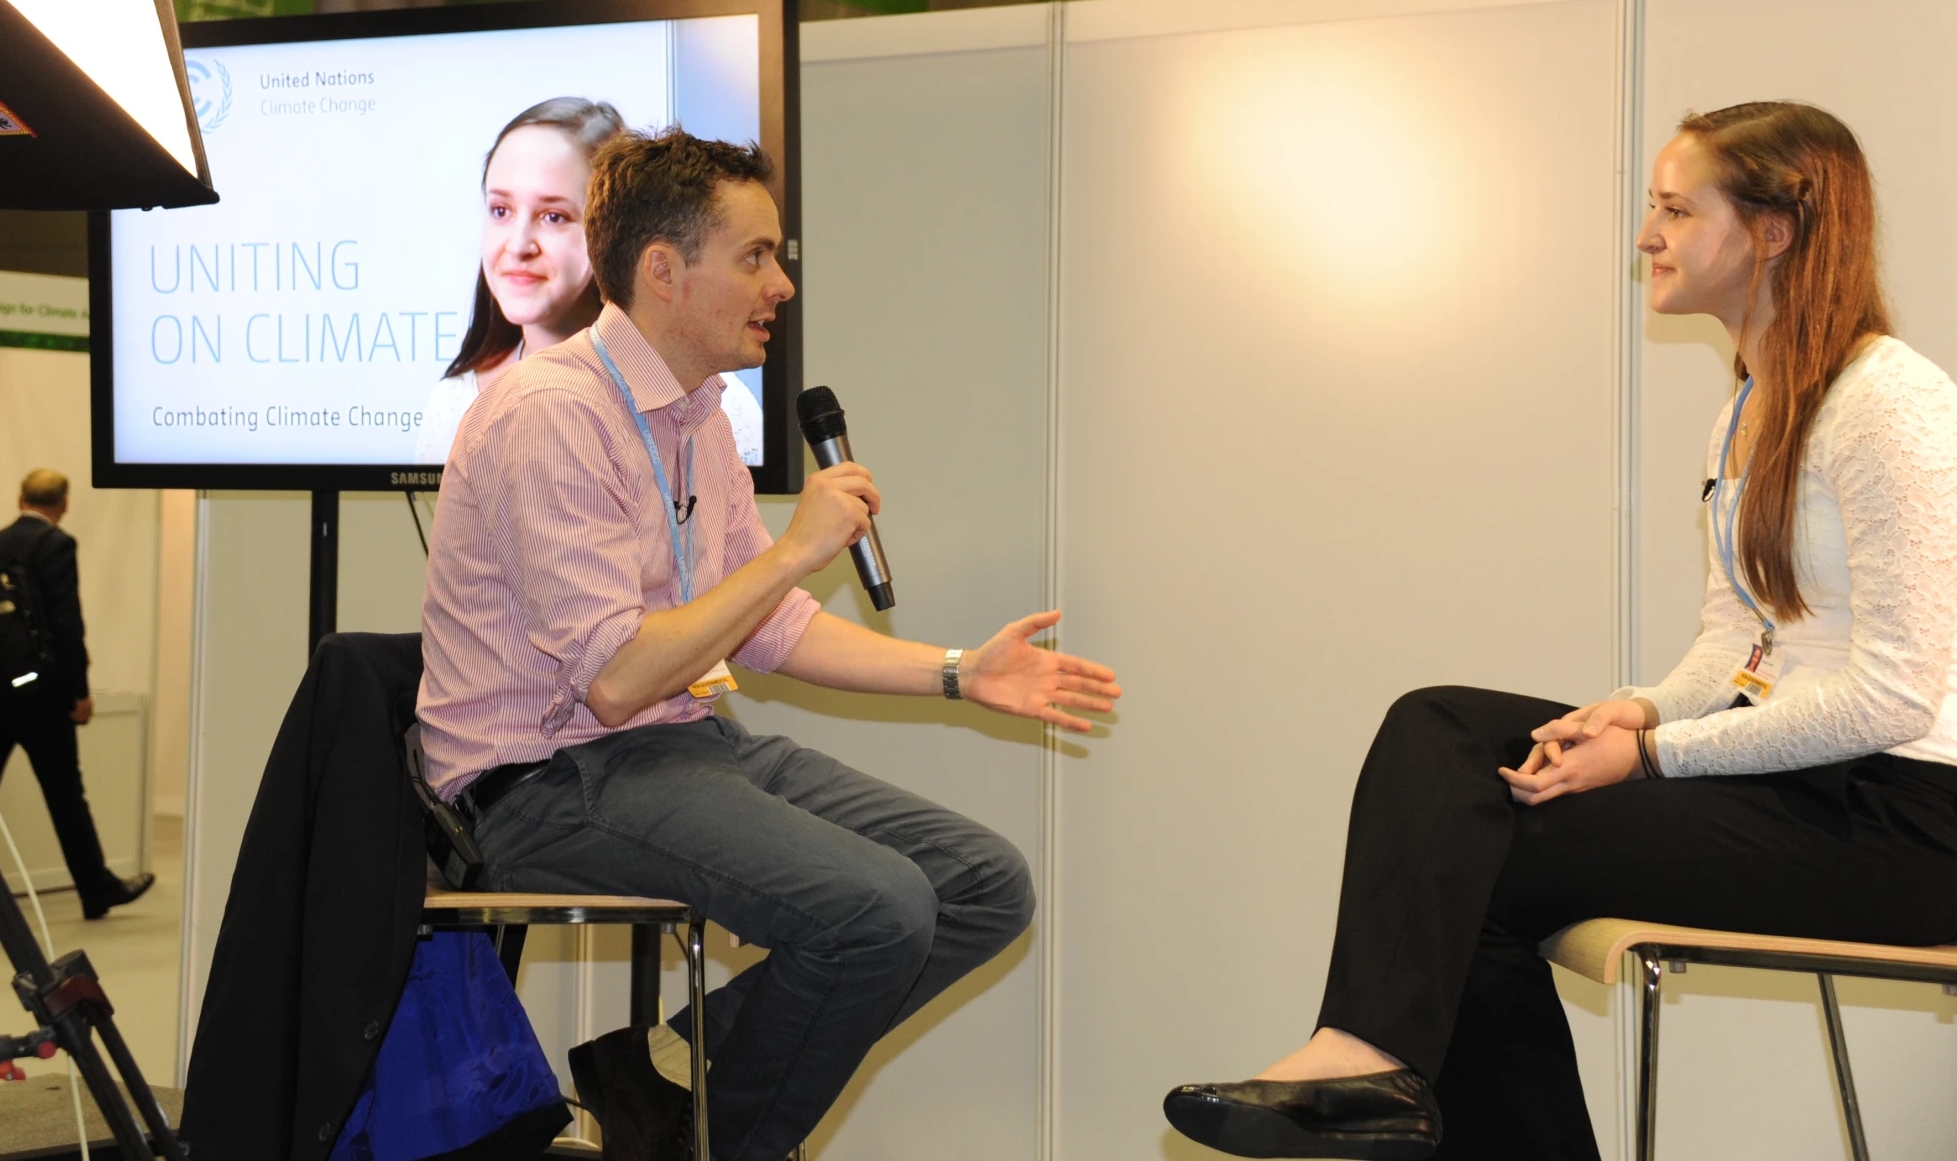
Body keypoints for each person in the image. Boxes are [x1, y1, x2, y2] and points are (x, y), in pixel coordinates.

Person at [1162, 102, 1957, 1161]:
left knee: (1476, 857)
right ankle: (1362, 1058)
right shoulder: (1753, 405)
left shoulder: (1889, 401)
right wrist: (1632, 711)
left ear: (1772, 231)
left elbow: (1892, 697)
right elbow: (1736, 645)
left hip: (1906, 821)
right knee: (1440, 726)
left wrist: (1655, 755)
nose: (1647, 237)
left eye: (1676, 209)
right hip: (1805, 784)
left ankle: (1367, 1069)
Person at [418, 130, 1122, 1161]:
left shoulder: (700, 414)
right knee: (876, 910)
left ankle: (659, 1077)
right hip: (549, 778)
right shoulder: (549, 415)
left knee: (982, 882)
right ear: (664, 269)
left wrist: (961, 674)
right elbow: (616, 681)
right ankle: (707, 1132)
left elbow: (770, 628)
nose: (780, 283)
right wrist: (792, 551)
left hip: (683, 745)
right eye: (754, 256)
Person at [417, 98, 765, 464]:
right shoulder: (452, 406)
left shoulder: (716, 408)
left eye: (554, 216)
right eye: (501, 210)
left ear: (612, 229)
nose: (518, 245)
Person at [0, 468, 154, 936]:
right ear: (65, 503)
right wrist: (78, 691)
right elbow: (67, 624)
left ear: (20, 498)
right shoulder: (57, 545)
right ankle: (96, 888)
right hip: (39, 697)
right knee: (65, 796)